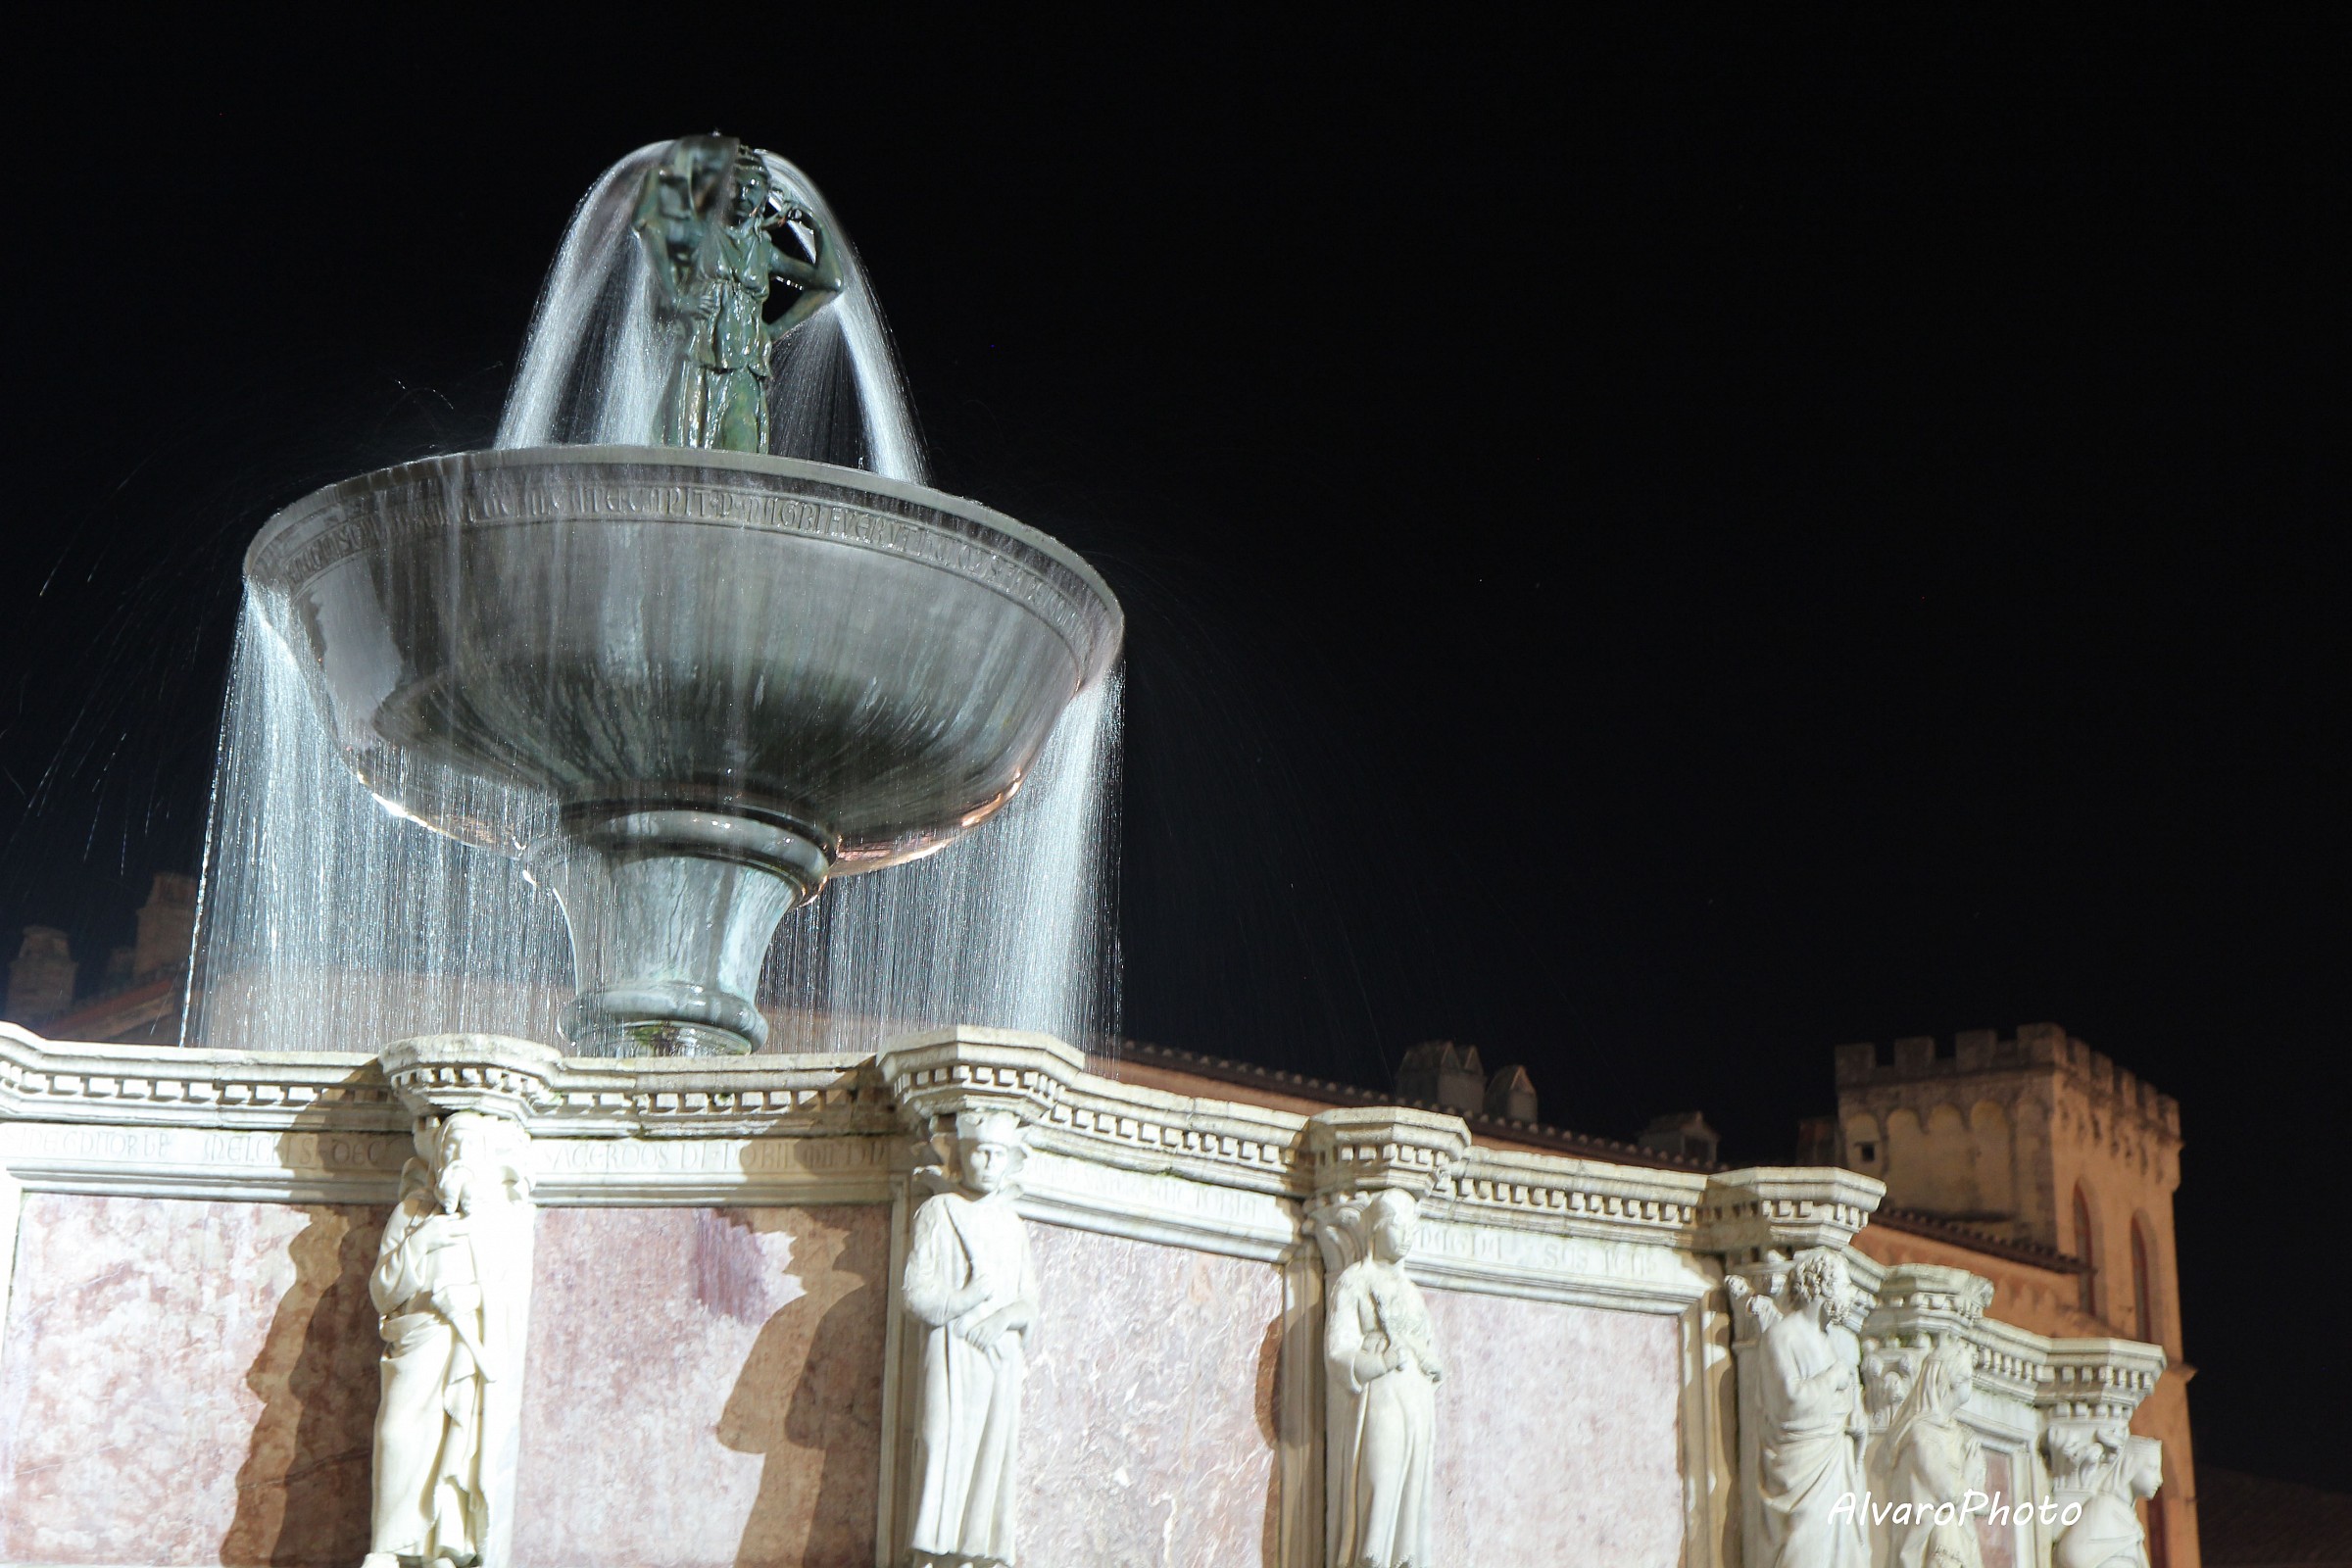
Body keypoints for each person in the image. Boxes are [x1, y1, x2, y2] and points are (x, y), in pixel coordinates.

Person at [362, 1113, 529, 1568]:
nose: (457, 1157)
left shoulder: (493, 1223)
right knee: (396, 1433)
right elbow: (382, 1290)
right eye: (450, 1147)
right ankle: (390, 1547)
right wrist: (425, 1242)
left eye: (466, 1149)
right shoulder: (412, 1215)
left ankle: (446, 1545)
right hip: (416, 1340)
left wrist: (468, 1298)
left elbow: (508, 1296)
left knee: (457, 1434)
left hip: (463, 1345)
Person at [635, 139, 845, 453]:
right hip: (699, 359)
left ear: (764, 197)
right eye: (736, 186)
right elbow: (649, 223)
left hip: (746, 368)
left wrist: (817, 229)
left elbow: (830, 283)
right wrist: (677, 297)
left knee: (743, 460)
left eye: (753, 188)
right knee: (682, 458)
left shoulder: (763, 250)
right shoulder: (699, 233)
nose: (744, 195)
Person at [902, 1110, 1040, 1567]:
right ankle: (931, 1555)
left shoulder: (1012, 1226)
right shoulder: (939, 1212)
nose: (988, 1162)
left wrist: (999, 1320)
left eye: (998, 1153)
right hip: (950, 1354)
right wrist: (964, 1299)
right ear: (962, 1155)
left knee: (989, 1461)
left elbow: (1028, 1306)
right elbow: (915, 1295)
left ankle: (975, 1556)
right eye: (980, 1151)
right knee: (939, 1442)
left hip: (996, 1356)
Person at [1325, 1189, 1444, 1568]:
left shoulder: (1411, 1294)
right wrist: (1379, 1361)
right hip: (1382, 1398)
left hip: (1417, 1403)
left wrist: (1424, 1359)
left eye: (1413, 1227)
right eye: (1398, 1225)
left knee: (1412, 1497)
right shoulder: (1355, 1280)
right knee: (1378, 1482)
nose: (1407, 1235)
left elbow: (1430, 1353)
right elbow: (1338, 1352)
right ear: (1376, 1228)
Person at [1756, 1250, 1872, 1568]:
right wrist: (1832, 1378)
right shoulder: (1782, 1336)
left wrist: (1854, 1421)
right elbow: (1788, 1401)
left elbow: (1841, 1408)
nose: (1850, 1294)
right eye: (1845, 1285)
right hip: (1800, 1471)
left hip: (1835, 1465)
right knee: (1803, 1549)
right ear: (1822, 1286)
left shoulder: (1827, 1343)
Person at [1880, 1337, 1986, 1568]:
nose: (1971, 1384)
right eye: (1968, 1378)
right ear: (1950, 1382)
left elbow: (1976, 1502)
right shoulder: (1921, 1434)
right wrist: (1970, 1470)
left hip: (1959, 1539)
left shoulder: (1956, 1433)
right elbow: (1947, 1491)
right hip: (1933, 1544)